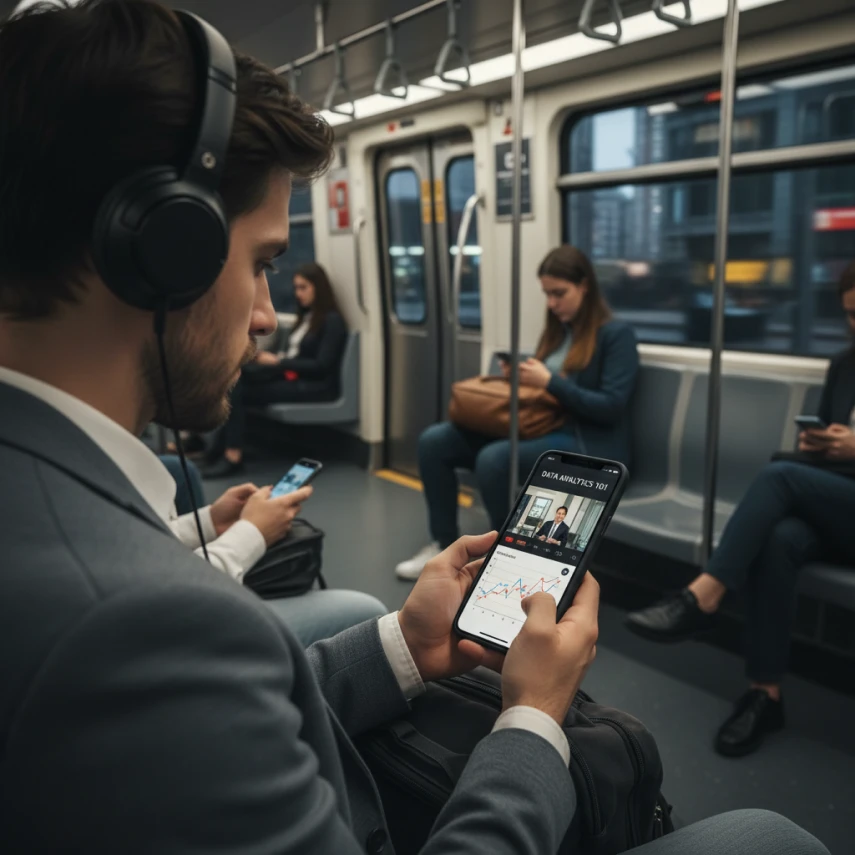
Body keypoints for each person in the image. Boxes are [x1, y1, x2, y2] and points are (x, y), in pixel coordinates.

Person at [0, 5, 832, 854]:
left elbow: (229, 717)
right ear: (163, 254)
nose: (263, 314)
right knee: (774, 837)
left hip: (583, 445)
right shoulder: (139, 622)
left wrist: (403, 644)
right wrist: (532, 719)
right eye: (259, 263)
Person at [625, 261, 855, 758]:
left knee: (779, 477)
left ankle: (703, 597)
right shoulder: (844, 365)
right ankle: (764, 694)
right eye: (851, 316)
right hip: (836, 503)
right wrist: (817, 445)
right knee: (779, 539)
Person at [396, 245, 640, 580]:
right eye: (547, 294)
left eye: (559, 293)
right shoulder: (558, 333)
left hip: (589, 442)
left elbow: (610, 407)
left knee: (495, 460)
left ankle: (505, 557)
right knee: (435, 440)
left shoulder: (616, 336)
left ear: (584, 286)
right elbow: (545, 393)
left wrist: (550, 381)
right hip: (542, 429)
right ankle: (444, 542)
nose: (552, 304)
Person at [160, 459, 388, 646]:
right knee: (366, 611)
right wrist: (253, 531)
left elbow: (155, 542)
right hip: (182, 631)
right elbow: (188, 595)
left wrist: (210, 522)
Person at [202, 261, 347, 478]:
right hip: (292, 376)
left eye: (303, 288)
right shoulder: (306, 318)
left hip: (314, 386)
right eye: (296, 288)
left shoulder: (332, 321)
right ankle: (220, 449)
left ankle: (231, 454)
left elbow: (321, 366)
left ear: (319, 287)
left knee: (236, 390)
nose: (298, 293)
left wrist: (278, 363)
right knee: (234, 378)